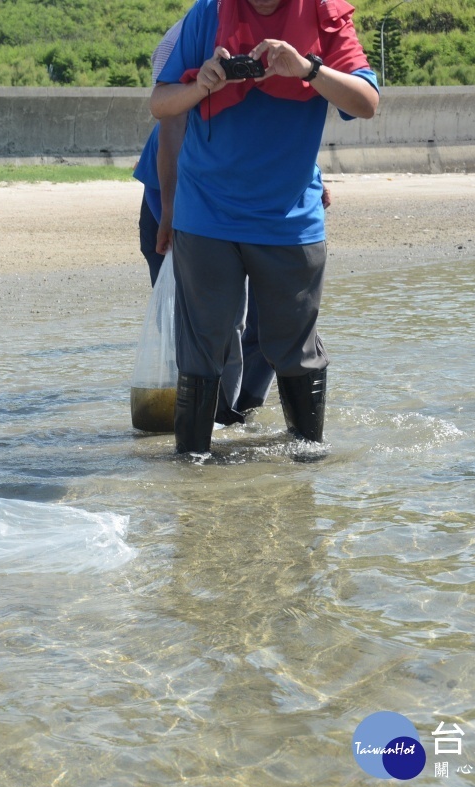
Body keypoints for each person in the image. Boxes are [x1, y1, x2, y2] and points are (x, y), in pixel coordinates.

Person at [150, 0, 378, 453]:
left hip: (289, 220)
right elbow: (161, 104)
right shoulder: (208, 14)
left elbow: (368, 102)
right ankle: (191, 470)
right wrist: (202, 85)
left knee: (295, 352)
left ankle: (303, 477)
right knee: (202, 352)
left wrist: (307, 69)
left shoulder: (324, 15)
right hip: (206, 215)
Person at [135, 18, 276, 427]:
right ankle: (214, 414)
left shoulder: (280, 23)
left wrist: (309, 173)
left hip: (244, 186)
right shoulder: (189, 31)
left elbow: (277, 117)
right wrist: (173, 211)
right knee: (203, 317)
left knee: (262, 311)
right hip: (182, 187)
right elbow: (171, 121)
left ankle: (234, 412)